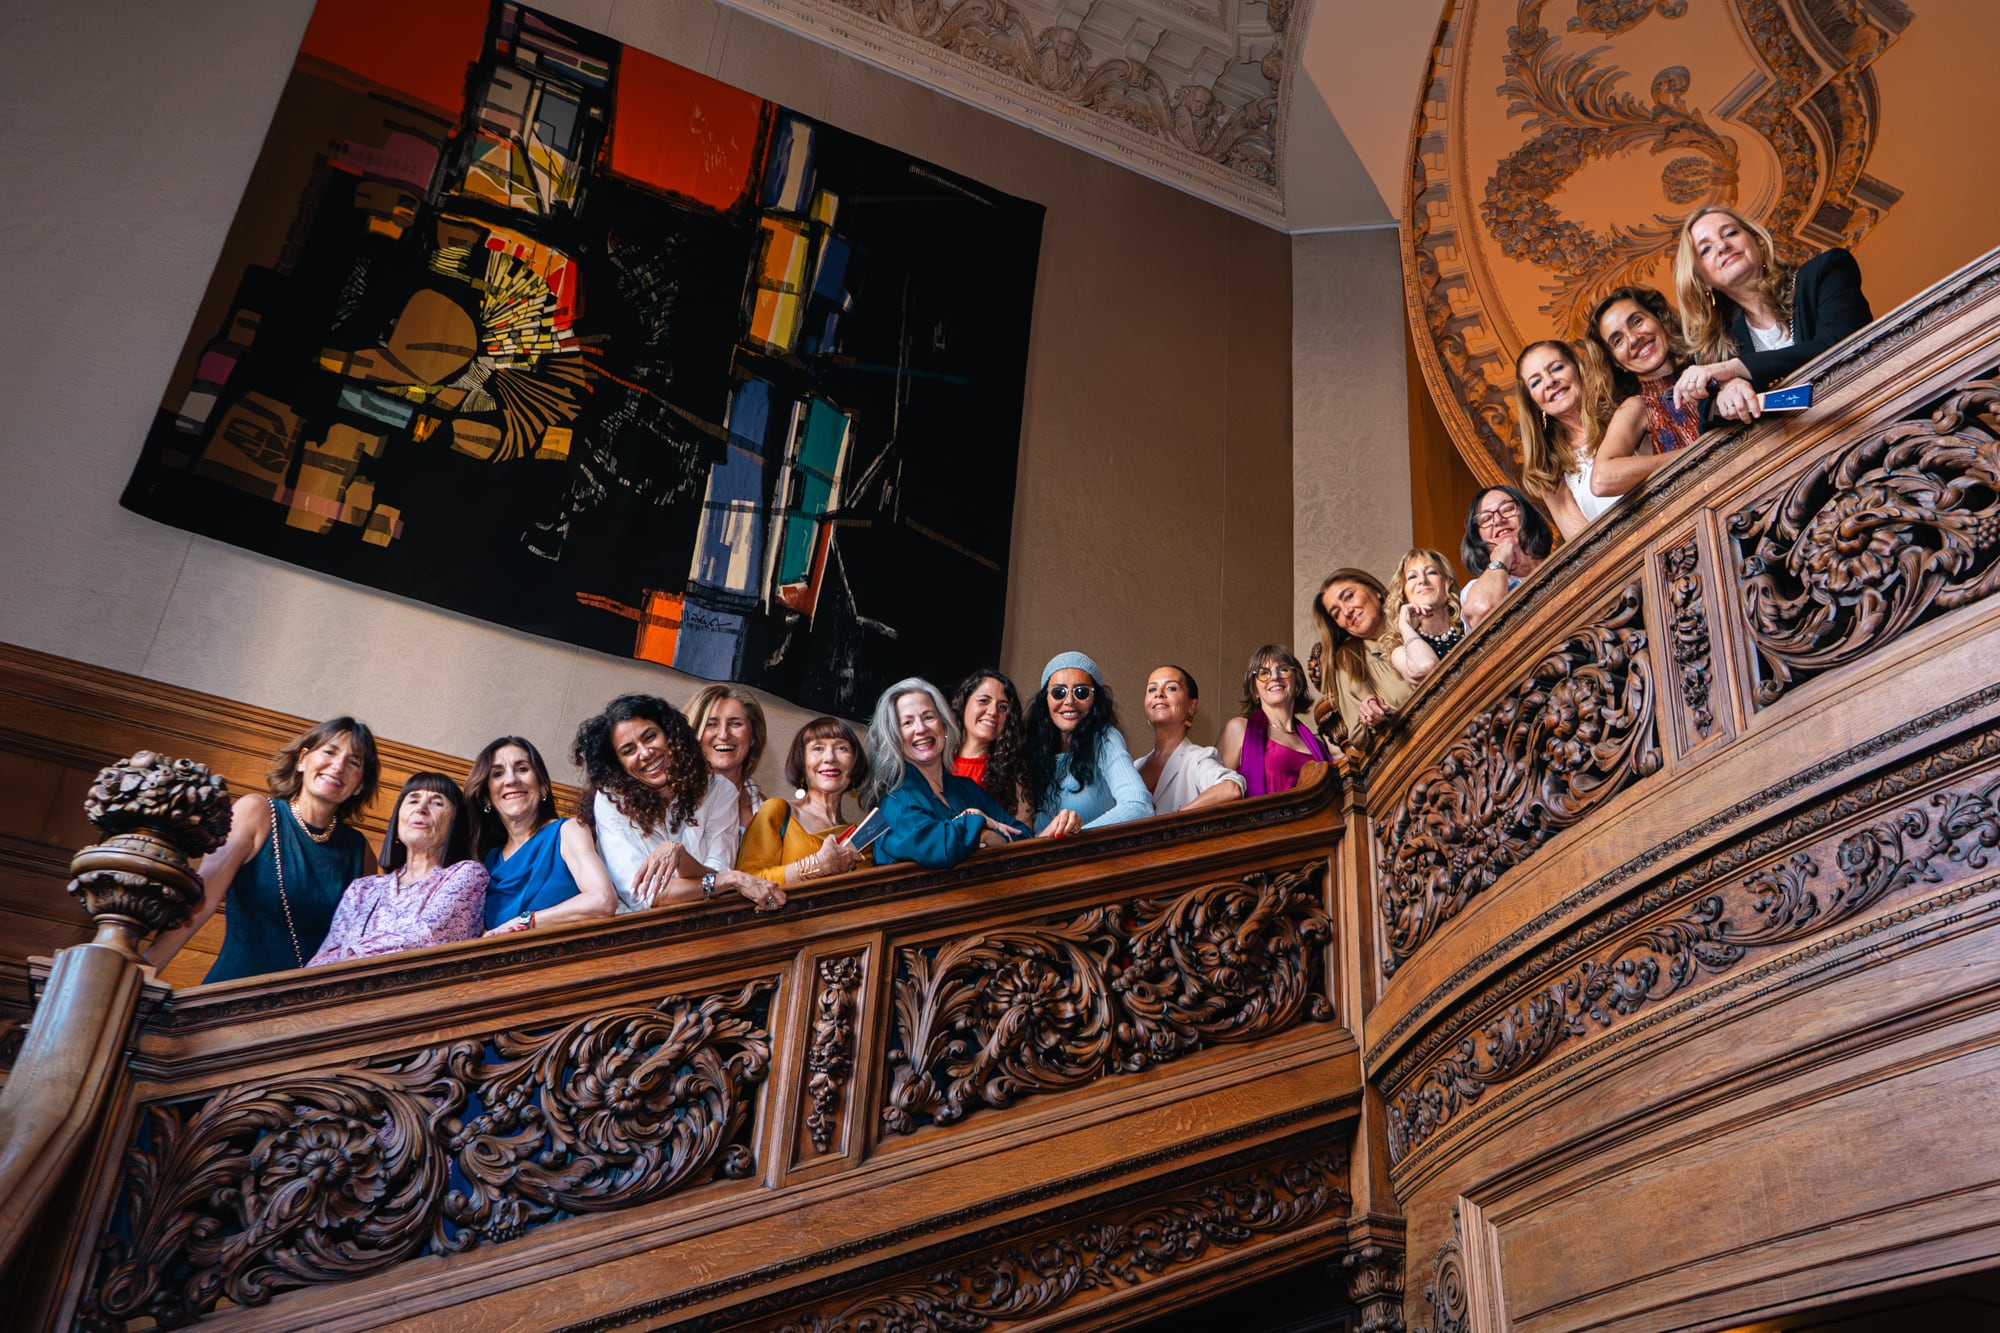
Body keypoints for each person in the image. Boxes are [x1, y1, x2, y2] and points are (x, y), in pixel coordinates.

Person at [144, 716, 380, 982]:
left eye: (354, 762)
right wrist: (146, 968)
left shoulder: (359, 852)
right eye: (329, 752)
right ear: (303, 759)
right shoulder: (257, 812)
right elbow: (202, 901)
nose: (338, 766)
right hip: (233, 995)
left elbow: (356, 948)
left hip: (309, 1010)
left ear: (360, 784)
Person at [1672, 204, 1873, 422]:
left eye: (1730, 233)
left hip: (1873, 415)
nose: (1722, 246)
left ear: (1757, 241)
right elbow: (1707, 422)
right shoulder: (1721, 345)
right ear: (1702, 281)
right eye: (1705, 249)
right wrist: (1728, 389)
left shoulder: (1825, 271)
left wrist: (1735, 369)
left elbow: (1841, 344)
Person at [573, 694, 763, 912]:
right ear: (618, 765)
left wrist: (679, 855)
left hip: (707, 925)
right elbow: (644, 896)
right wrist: (728, 881)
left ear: (671, 734)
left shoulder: (719, 791)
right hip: (639, 933)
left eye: (650, 737)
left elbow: (719, 871)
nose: (645, 753)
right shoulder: (612, 800)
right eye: (628, 751)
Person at [308, 772, 487, 965]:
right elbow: (321, 962)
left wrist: (349, 952)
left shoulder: (467, 874)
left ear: (454, 824)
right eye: (413, 800)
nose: (421, 809)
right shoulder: (362, 889)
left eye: (436, 803)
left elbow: (425, 942)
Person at [864, 677, 1031, 868]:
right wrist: (980, 822)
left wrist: (990, 837)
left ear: (943, 726)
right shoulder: (895, 801)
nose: (921, 729)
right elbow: (940, 847)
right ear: (894, 737)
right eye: (907, 723)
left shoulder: (967, 789)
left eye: (928, 717)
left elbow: (1023, 836)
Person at [466, 735, 617, 934]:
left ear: (543, 786)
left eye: (522, 769)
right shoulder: (488, 860)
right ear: (486, 797)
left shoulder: (568, 831)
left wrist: (525, 921)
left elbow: (603, 900)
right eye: (497, 773)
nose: (511, 780)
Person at [1585, 286, 1699, 499]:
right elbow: (1602, 479)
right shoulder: (1637, 406)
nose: (1633, 338)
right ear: (1617, 364)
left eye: (1637, 321)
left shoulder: (1706, 365)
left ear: (1658, 317)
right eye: (1618, 340)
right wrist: (1689, 456)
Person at [1023, 652, 1153, 834]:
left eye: (1081, 692)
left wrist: (1077, 833)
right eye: (1058, 692)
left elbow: (1139, 806)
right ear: (1046, 699)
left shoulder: (1105, 739)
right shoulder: (1031, 753)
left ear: (1095, 700)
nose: (1069, 701)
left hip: (1096, 860)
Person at [738, 717, 873, 888]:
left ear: (854, 764)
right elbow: (748, 882)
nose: (830, 758)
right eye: (818, 748)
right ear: (801, 763)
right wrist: (817, 866)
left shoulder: (862, 837)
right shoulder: (778, 811)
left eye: (841, 748)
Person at [1515, 339, 1621, 539]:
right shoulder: (1550, 471)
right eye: (1536, 382)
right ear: (1534, 403)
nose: (1550, 382)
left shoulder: (1624, 410)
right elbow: (1587, 548)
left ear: (1578, 368)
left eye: (1557, 368)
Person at [1311, 571, 1415, 752]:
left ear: (1375, 591)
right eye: (1336, 613)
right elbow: (1358, 737)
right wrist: (1370, 716)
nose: (1347, 611)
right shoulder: (1348, 660)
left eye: (1349, 596)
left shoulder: (1416, 613)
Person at [1218, 645, 1333, 791]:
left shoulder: (1318, 745)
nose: (1275, 677)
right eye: (1264, 673)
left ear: (1297, 682)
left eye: (1284, 670)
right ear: (1254, 691)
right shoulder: (1239, 730)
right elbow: (1216, 796)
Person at [1135, 665, 1244, 815]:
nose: (1159, 694)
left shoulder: (1197, 758)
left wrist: (1178, 818)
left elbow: (1231, 788)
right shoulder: (1135, 766)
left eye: (1171, 688)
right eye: (1152, 689)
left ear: (1192, 706)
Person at [1460, 486, 1554, 629]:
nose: (1498, 520)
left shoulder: (1560, 562)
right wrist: (1500, 559)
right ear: (1478, 537)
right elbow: (1481, 611)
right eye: (1486, 519)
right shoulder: (1475, 589)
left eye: (1507, 509)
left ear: (1526, 515)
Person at [685, 683, 767, 841]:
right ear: (695, 733)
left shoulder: (763, 807)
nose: (723, 735)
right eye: (711, 724)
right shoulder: (674, 797)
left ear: (753, 737)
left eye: (736, 724)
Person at [951, 669, 1032, 821]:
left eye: (1003, 707)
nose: (993, 712)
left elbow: (1022, 837)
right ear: (963, 704)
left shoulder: (1013, 775)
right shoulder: (938, 762)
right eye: (984, 701)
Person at [1383, 548, 1466, 687]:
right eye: (1412, 577)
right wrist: (1404, 625)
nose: (1422, 580)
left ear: (1447, 581)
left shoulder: (1468, 621)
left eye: (1431, 572)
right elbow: (1426, 667)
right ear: (1403, 593)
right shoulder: (1400, 651)